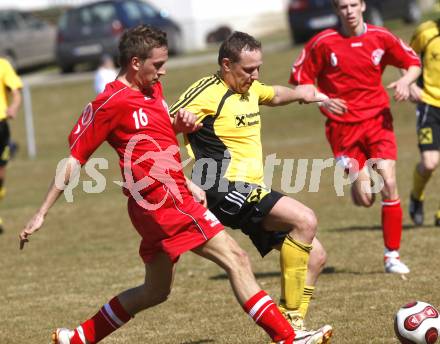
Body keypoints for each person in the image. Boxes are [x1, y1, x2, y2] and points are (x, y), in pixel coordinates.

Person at [18, 25, 305, 344]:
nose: (164, 72)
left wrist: (182, 164)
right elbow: (75, 159)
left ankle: (78, 338)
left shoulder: (152, 90)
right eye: (157, 65)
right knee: (236, 259)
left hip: (160, 199)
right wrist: (42, 211)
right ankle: (287, 338)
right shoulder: (110, 102)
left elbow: (155, 143)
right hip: (162, 200)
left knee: (155, 291)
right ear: (135, 63)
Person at [170, 31, 332, 343]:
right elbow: (160, 125)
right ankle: (291, 326)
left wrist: (301, 92)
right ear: (226, 64)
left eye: (258, 68)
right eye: (248, 70)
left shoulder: (249, 87)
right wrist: (180, 126)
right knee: (305, 219)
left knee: (316, 256)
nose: (255, 75)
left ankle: (291, 327)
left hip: (249, 188)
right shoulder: (206, 92)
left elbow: (272, 94)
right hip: (220, 187)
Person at [289, 0, 421, 274]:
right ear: (336, 11)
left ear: (362, 5)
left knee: (389, 179)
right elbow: (300, 80)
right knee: (365, 197)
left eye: (353, 4)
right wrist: (322, 100)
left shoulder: (381, 36)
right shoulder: (323, 42)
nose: (348, 11)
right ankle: (357, 182)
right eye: (342, 7)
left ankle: (392, 256)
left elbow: (412, 63)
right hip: (342, 128)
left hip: (377, 120)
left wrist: (407, 81)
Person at [408, 18, 440, 227]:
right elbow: (405, 57)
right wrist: (409, 83)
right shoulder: (426, 31)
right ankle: (416, 196)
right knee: (430, 163)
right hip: (429, 104)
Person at [0, 57, 22, 233]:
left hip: (1, 126)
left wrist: (14, 106)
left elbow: (16, 93)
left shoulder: (3, 65)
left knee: (0, 174)